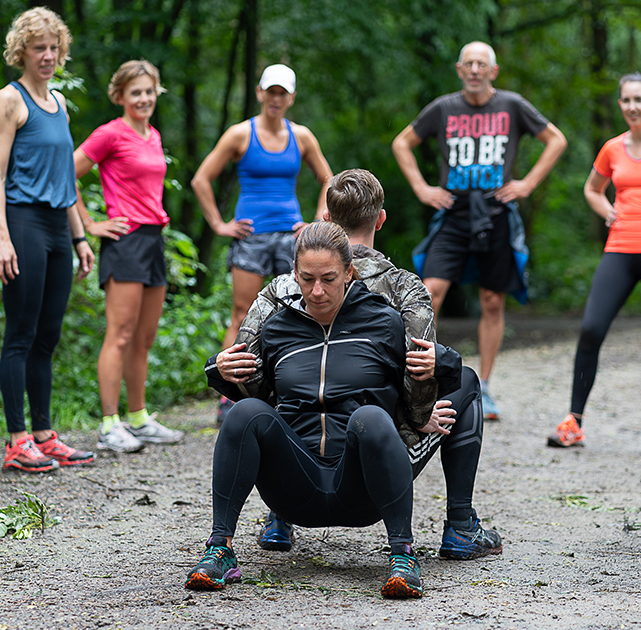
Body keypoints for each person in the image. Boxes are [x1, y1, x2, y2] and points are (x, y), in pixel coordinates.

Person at [229, 168, 502, 559]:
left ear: (326, 219)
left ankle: (279, 515)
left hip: (293, 456)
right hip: (373, 456)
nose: (319, 289)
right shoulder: (404, 288)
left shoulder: (287, 286)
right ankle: (459, 525)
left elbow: (248, 366)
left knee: (292, 381)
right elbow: (419, 372)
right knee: (466, 381)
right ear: (380, 219)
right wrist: (417, 413)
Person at [186, 222, 453, 598]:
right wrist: (220, 369)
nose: (317, 291)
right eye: (307, 278)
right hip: (296, 487)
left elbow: (417, 391)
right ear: (294, 274)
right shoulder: (277, 329)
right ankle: (219, 549)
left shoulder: (384, 322)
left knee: (370, 417)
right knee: (243, 412)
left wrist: (433, 384)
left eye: (328, 278)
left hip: (361, 488)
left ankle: (403, 556)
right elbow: (256, 395)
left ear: (349, 273)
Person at [392, 40, 567, 420]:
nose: (474, 70)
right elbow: (402, 142)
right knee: (429, 292)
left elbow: (556, 139)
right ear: (459, 70)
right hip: (453, 213)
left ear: (493, 71)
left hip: (496, 212)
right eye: (468, 64)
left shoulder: (512, 105)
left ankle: (484, 387)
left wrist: (527, 184)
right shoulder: (443, 108)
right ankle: (421, 381)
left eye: (481, 64)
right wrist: (422, 188)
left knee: (492, 300)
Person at [191, 64, 333, 424]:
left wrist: (316, 220)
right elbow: (201, 179)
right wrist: (219, 225)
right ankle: (230, 394)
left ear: (291, 98)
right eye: (270, 91)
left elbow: (328, 180)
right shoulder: (240, 134)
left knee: (296, 313)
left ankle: (292, 389)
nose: (275, 98)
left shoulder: (301, 136)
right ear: (259, 93)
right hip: (250, 237)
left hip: (291, 237)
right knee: (242, 313)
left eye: (282, 93)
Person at [547, 74, 641, 452]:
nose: (632, 107)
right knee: (591, 328)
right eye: (625, 100)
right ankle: (574, 421)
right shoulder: (612, 148)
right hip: (620, 247)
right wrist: (607, 210)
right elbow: (592, 188)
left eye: (639, 99)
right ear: (620, 104)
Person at [0, 7, 95, 472]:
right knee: (21, 334)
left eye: (54, 47)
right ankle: (16, 440)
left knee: (48, 336)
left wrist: (80, 237)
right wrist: (0, 237)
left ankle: (45, 435)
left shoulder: (59, 103)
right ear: (21, 53)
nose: (48, 55)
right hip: (22, 223)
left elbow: (65, 178)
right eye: (38, 48)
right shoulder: (9, 100)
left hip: (56, 226)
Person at [72, 60, 185, 453]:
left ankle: (138, 417)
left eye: (149, 91)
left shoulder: (152, 136)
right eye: (135, 92)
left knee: (145, 337)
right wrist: (90, 223)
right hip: (125, 241)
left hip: (154, 241)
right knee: (119, 334)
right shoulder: (109, 134)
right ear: (119, 96)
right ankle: (109, 425)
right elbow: (67, 171)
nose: (144, 98)